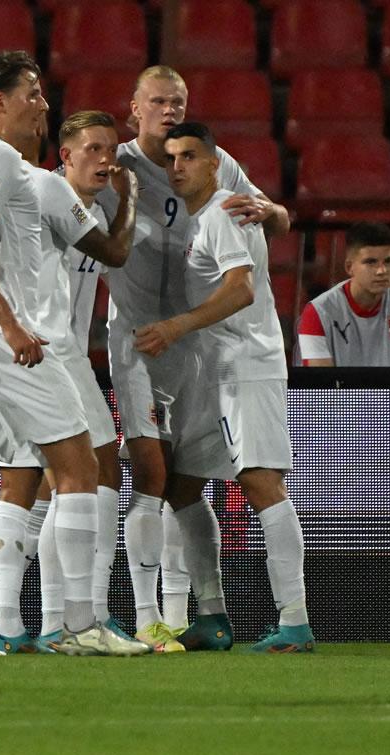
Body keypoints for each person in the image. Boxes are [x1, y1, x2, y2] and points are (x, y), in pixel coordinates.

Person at [0, 50, 125, 657]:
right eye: (32, 93)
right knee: (80, 467)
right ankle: (82, 624)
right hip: (0, 340)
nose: (42, 102)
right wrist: (10, 325)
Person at [99, 65, 290, 652]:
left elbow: (270, 216)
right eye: (157, 100)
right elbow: (43, 203)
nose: (169, 109)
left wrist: (276, 214)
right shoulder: (114, 163)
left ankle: (211, 611)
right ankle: (144, 615)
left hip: (202, 348)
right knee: (156, 477)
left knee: (191, 482)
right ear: (134, 108)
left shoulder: (212, 160)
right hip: (138, 341)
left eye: (177, 101)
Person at [0, 110, 148, 656]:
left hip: (52, 353)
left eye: (110, 149)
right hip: (41, 351)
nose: (106, 159)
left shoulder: (81, 210)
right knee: (86, 469)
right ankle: (72, 616)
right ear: (63, 156)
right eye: (92, 149)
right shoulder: (42, 194)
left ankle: (3, 610)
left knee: (40, 480)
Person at [135, 122, 313, 653]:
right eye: (171, 159)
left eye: (190, 156)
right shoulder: (200, 219)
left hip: (247, 366)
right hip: (212, 372)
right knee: (184, 486)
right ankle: (211, 615)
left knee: (261, 482)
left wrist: (174, 327)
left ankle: (295, 620)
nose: (178, 167)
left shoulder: (224, 214)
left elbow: (241, 291)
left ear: (216, 163)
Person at [297, 221, 390, 366]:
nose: (382, 271)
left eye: (388, 262)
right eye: (371, 262)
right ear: (349, 267)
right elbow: (320, 385)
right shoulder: (318, 313)